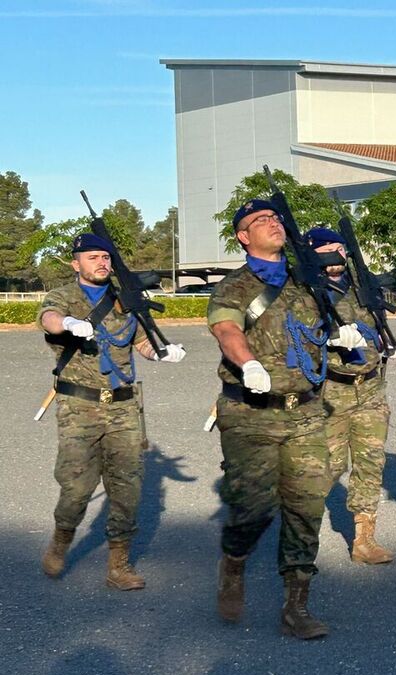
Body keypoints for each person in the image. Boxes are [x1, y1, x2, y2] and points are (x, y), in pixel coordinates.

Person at [208, 199, 333, 640]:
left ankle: (296, 606)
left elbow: (331, 324)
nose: (273, 224)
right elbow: (227, 329)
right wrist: (248, 364)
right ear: (243, 237)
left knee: (307, 505)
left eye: (275, 218)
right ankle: (234, 561)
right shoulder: (234, 286)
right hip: (250, 414)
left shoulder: (306, 282)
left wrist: (349, 335)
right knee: (254, 508)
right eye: (260, 220)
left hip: (305, 411)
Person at [38, 232, 186, 590]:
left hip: (123, 407)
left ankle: (118, 566)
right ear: (76, 264)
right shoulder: (64, 297)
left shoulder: (125, 300)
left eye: (105, 257)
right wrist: (70, 324)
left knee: (127, 490)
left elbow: (139, 342)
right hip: (79, 406)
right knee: (76, 487)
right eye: (92, 257)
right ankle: (62, 538)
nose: (101, 263)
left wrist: (161, 353)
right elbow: (49, 318)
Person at [303, 227, 396, 565]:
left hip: (371, 389)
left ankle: (364, 540)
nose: (337, 254)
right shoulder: (306, 293)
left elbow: (376, 329)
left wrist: (389, 345)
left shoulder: (362, 287)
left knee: (370, 463)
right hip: (330, 392)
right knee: (328, 467)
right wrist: (327, 340)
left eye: (341, 248)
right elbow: (294, 341)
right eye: (328, 248)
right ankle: (300, 531)